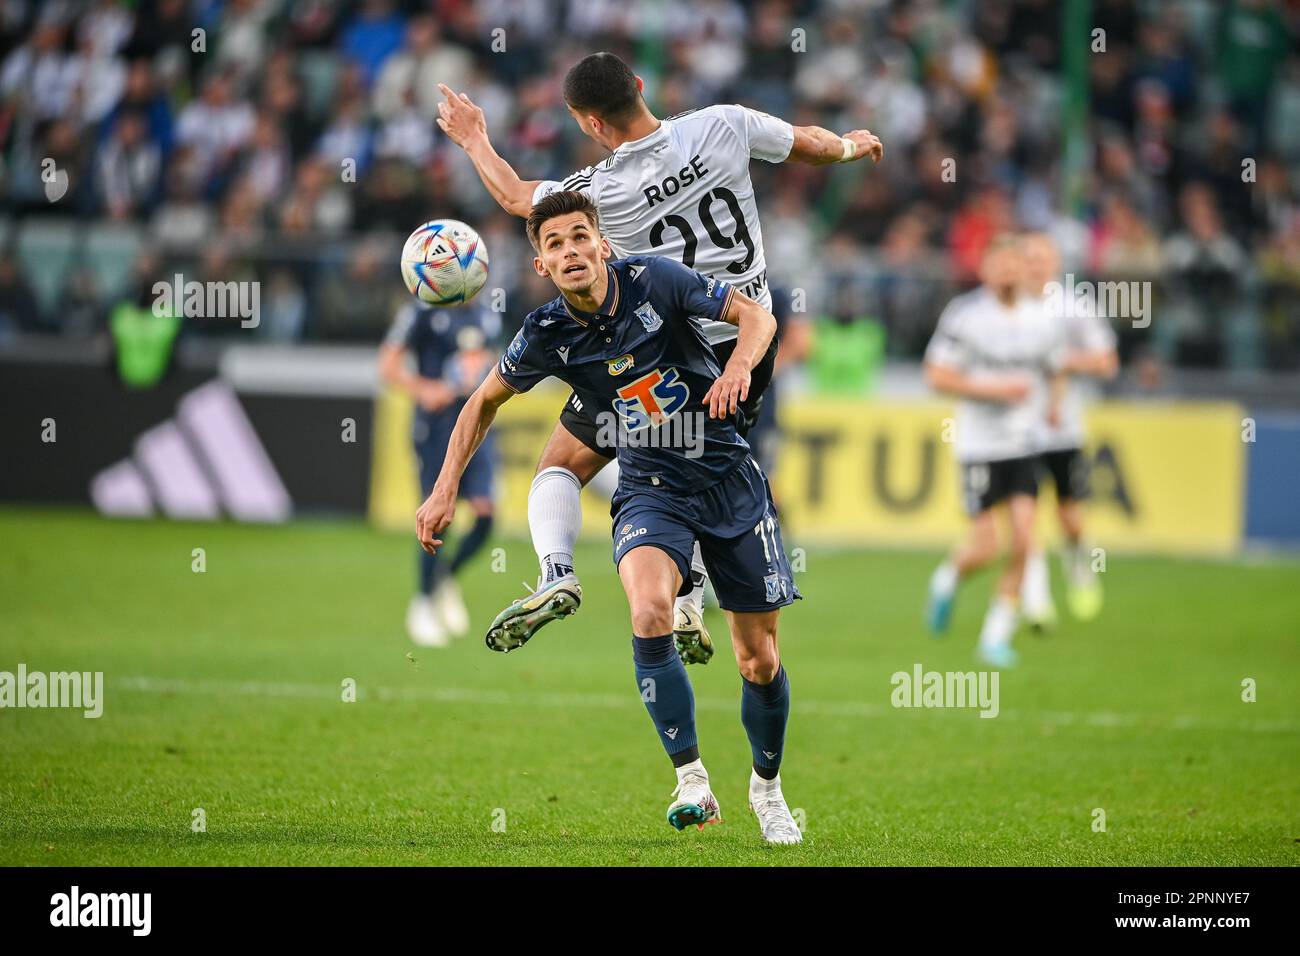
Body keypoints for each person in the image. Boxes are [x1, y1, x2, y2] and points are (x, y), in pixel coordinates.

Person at [435, 51, 881, 663]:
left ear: (588, 122)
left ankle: (558, 572)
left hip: (661, 344)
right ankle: (691, 599)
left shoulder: (597, 191)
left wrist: (474, 138)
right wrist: (854, 147)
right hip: (748, 344)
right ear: (640, 87)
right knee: (696, 465)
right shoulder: (723, 123)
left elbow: (516, 197)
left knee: (564, 466)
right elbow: (811, 143)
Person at [416, 191, 803, 843]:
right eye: (555, 245)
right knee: (646, 610)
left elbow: (757, 319)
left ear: (603, 245)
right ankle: (692, 780)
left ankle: (767, 789)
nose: (569, 252)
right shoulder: (546, 333)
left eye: (578, 238)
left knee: (757, 659)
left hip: (731, 480)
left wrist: (737, 366)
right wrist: (443, 486)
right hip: (651, 486)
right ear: (540, 264)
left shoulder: (656, 278)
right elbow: (482, 402)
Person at [923, 236, 1064, 668]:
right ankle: (947, 578)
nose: (1006, 273)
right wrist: (993, 390)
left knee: (1023, 538)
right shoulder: (966, 316)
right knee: (986, 547)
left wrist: (1055, 404)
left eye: (1013, 265)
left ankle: (995, 637)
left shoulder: (1041, 320)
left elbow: (1054, 367)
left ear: (1022, 270)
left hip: (1023, 444)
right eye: (997, 265)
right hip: (978, 446)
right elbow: (937, 376)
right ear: (985, 270)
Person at [380, 297, 500, 646]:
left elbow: (491, 361)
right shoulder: (421, 312)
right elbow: (387, 365)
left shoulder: (487, 314)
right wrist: (425, 389)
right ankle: (422, 604)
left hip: (476, 426)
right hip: (435, 427)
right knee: (435, 514)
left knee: (485, 514)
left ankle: (444, 578)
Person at [1019, 233, 1119, 626]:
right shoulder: (1007, 306)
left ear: (1056, 263)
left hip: (1063, 430)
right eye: (1028, 258)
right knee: (1024, 517)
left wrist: (1062, 361)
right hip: (1016, 432)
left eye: (1042, 258)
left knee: (1069, 517)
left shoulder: (1072, 306)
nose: (1035, 266)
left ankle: (1079, 562)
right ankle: (1036, 600)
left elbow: (1106, 362)